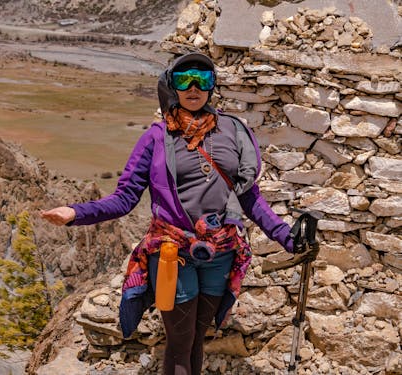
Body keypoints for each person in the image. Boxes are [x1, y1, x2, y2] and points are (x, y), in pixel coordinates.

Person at [41, 52, 294, 375]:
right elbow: (125, 198)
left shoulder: (233, 133)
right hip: (172, 251)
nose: (193, 87)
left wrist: (286, 236)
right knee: (179, 340)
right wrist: (75, 213)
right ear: (171, 86)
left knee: (197, 339)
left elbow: (250, 199)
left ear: (213, 86)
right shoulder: (156, 138)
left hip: (221, 251)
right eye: (183, 79)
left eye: (202, 80)